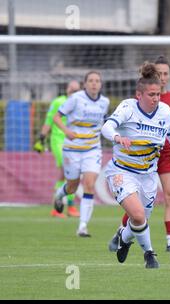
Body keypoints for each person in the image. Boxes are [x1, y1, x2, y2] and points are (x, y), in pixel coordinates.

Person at [101, 61, 170, 269]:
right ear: (140, 95)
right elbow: (107, 127)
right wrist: (118, 137)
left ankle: (124, 239)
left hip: (147, 175)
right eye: (151, 95)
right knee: (137, 216)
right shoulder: (128, 107)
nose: (156, 98)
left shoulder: (164, 111)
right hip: (122, 171)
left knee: (139, 221)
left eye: (158, 94)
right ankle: (149, 254)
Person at [52, 71, 110, 237]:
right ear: (85, 84)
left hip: (92, 149)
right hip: (72, 149)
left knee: (89, 184)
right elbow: (57, 117)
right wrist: (66, 131)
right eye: (91, 81)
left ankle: (82, 226)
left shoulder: (104, 102)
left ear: (100, 84)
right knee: (72, 186)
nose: (94, 84)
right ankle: (59, 194)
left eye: (97, 81)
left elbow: (105, 123)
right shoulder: (76, 98)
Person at [34, 80, 81, 218]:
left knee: (67, 174)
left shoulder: (80, 103)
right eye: (71, 89)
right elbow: (49, 120)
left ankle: (65, 207)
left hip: (73, 141)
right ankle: (65, 207)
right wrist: (42, 138)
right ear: (66, 89)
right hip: (58, 140)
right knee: (69, 171)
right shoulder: (57, 102)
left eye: (76, 90)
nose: (73, 91)